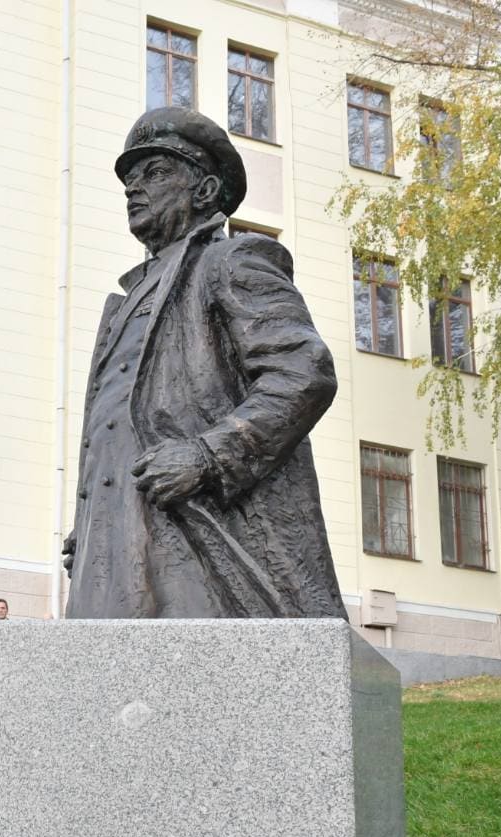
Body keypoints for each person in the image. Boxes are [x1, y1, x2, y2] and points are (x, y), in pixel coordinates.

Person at [64, 107, 344, 619]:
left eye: (155, 172)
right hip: (119, 539)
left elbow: (303, 372)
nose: (134, 188)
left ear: (205, 190)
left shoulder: (232, 261)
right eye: (129, 178)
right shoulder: (125, 299)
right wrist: (93, 521)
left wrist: (210, 456)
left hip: (199, 532)